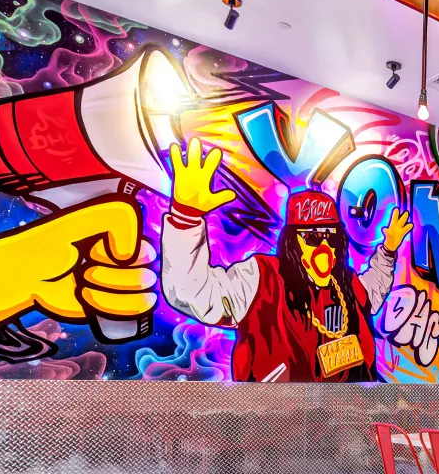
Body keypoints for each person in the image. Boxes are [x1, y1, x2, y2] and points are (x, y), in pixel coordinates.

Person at [161, 139, 411, 382]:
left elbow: (374, 290)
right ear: (293, 243)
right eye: (312, 237)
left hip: (348, 416)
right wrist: (186, 218)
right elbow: (192, 292)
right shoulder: (261, 279)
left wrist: (388, 250)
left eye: (330, 238)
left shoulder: (348, 284)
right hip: (275, 419)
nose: (324, 246)